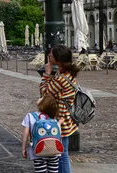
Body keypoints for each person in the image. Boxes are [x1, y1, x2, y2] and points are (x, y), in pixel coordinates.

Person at [40, 45, 79, 173]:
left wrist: (46, 73)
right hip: (65, 117)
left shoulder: (61, 78)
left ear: (58, 60)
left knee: (62, 154)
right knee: (62, 152)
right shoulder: (66, 74)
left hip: (60, 119)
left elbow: (45, 93)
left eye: (51, 55)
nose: (49, 56)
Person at [21, 95, 62, 173]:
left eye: (42, 98)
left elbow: (25, 135)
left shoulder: (30, 116)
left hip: (38, 152)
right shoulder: (53, 118)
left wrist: (23, 149)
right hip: (54, 151)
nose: (39, 97)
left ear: (43, 103)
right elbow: (59, 134)